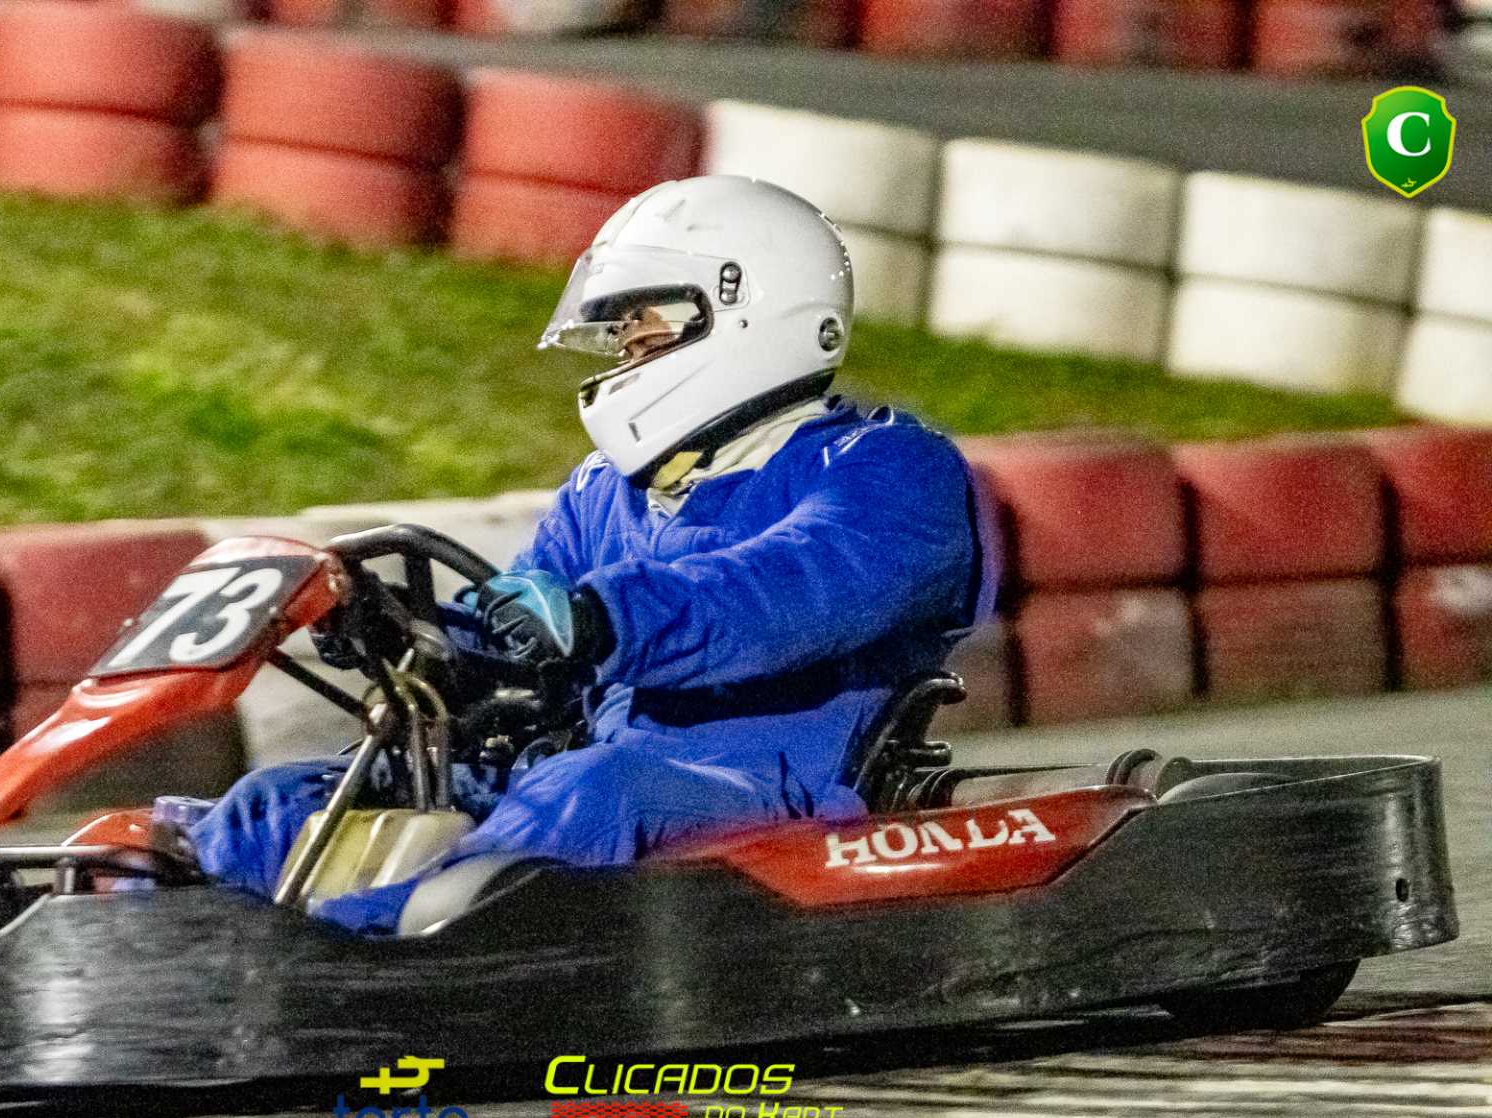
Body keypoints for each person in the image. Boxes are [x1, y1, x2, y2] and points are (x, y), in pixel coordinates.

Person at [188, 174, 998, 932]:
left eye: (647, 321)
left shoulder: (886, 466)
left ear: (750, 309)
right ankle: (185, 931)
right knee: (280, 798)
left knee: (588, 793)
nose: (625, 345)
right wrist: (406, 630)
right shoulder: (607, 490)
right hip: (580, 766)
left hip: (769, 794)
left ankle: (350, 959)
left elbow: (784, 592)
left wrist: (603, 617)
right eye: (621, 329)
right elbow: (518, 624)